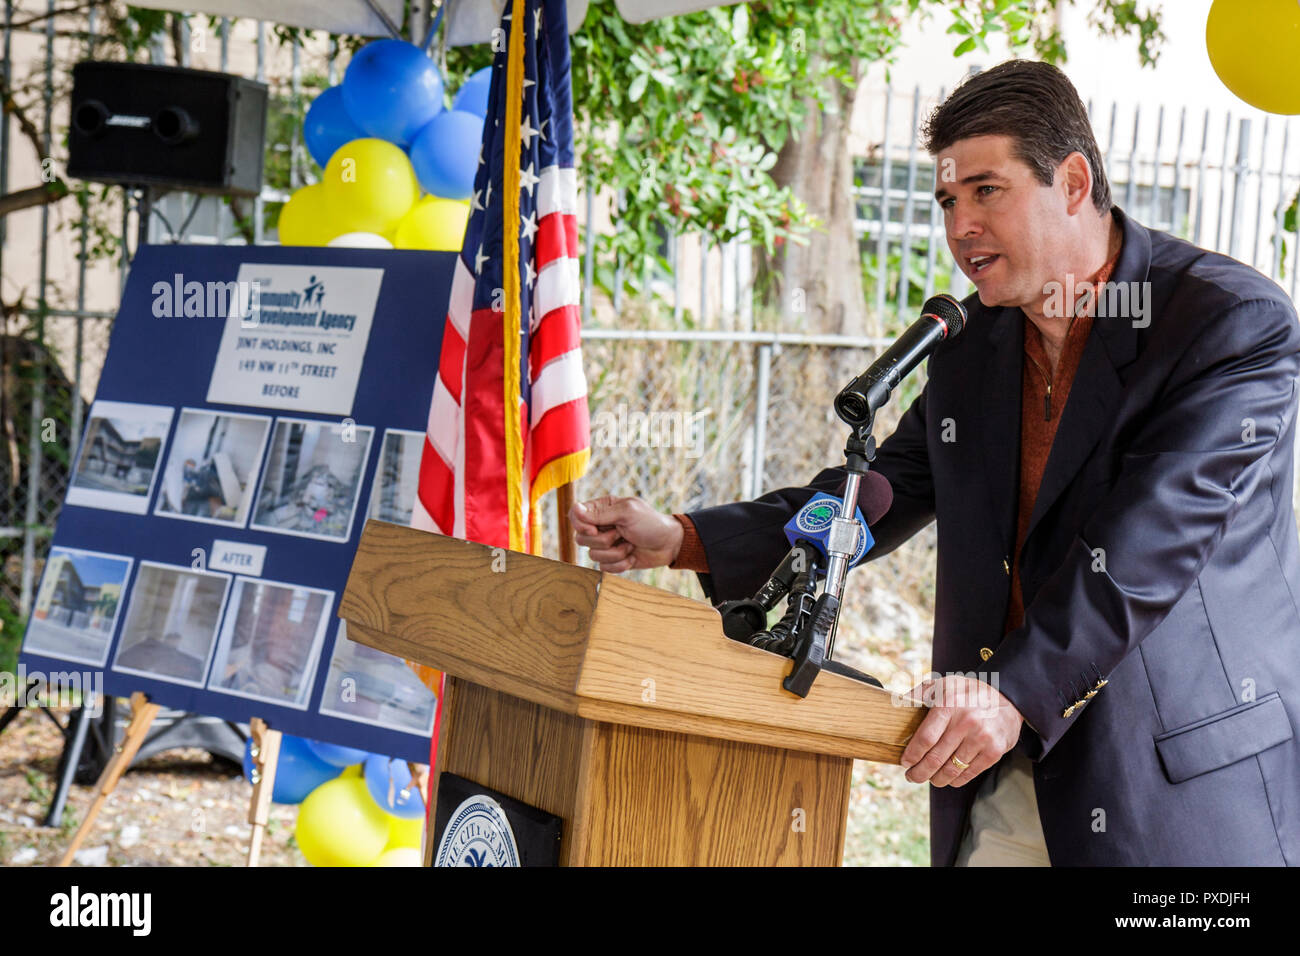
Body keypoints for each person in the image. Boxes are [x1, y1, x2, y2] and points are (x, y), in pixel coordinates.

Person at [570, 59, 1300, 867]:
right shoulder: (972, 345)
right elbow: (879, 492)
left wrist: (1013, 692)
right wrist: (685, 539)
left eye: (987, 191)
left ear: (1072, 180)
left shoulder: (1228, 324)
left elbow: (1150, 544)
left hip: (1171, 789)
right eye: (948, 201)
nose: (960, 227)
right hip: (989, 768)